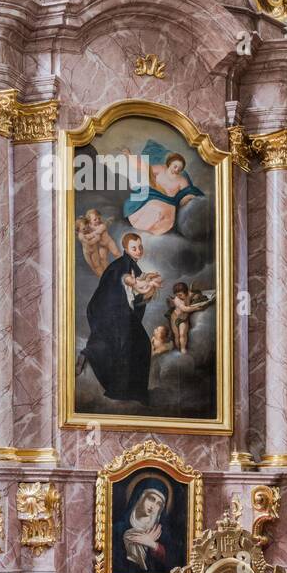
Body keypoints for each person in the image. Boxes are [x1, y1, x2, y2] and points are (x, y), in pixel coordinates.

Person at [77, 233, 160, 404]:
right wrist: (148, 286)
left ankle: (134, 392)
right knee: (133, 345)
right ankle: (123, 391)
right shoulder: (121, 267)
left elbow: (136, 295)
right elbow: (130, 285)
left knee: (141, 344)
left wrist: (149, 283)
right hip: (111, 313)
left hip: (121, 312)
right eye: (134, 248)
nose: (139, 251)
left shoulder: (132, 267)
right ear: (126, 249)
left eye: (140, 247)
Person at [121, 140, 203, 235]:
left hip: (169, 203)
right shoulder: (161, 168)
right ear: (170, 163)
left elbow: (187, 192)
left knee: (163, 214)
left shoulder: (182, 180)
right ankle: (142, 230)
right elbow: (142, 167)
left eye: (179, 169)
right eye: (175, 166)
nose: (176, 170)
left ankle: (153, 232)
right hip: (153, 196)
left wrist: (187, 198)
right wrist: (129, 155)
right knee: (153, 208)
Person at [113, 478, 174, 573]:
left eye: (159, 504)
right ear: (140, 497)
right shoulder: (118, 528)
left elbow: (173, 564)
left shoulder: (161, 532)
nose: (153, 506)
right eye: (151, 499)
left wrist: (153, 545)